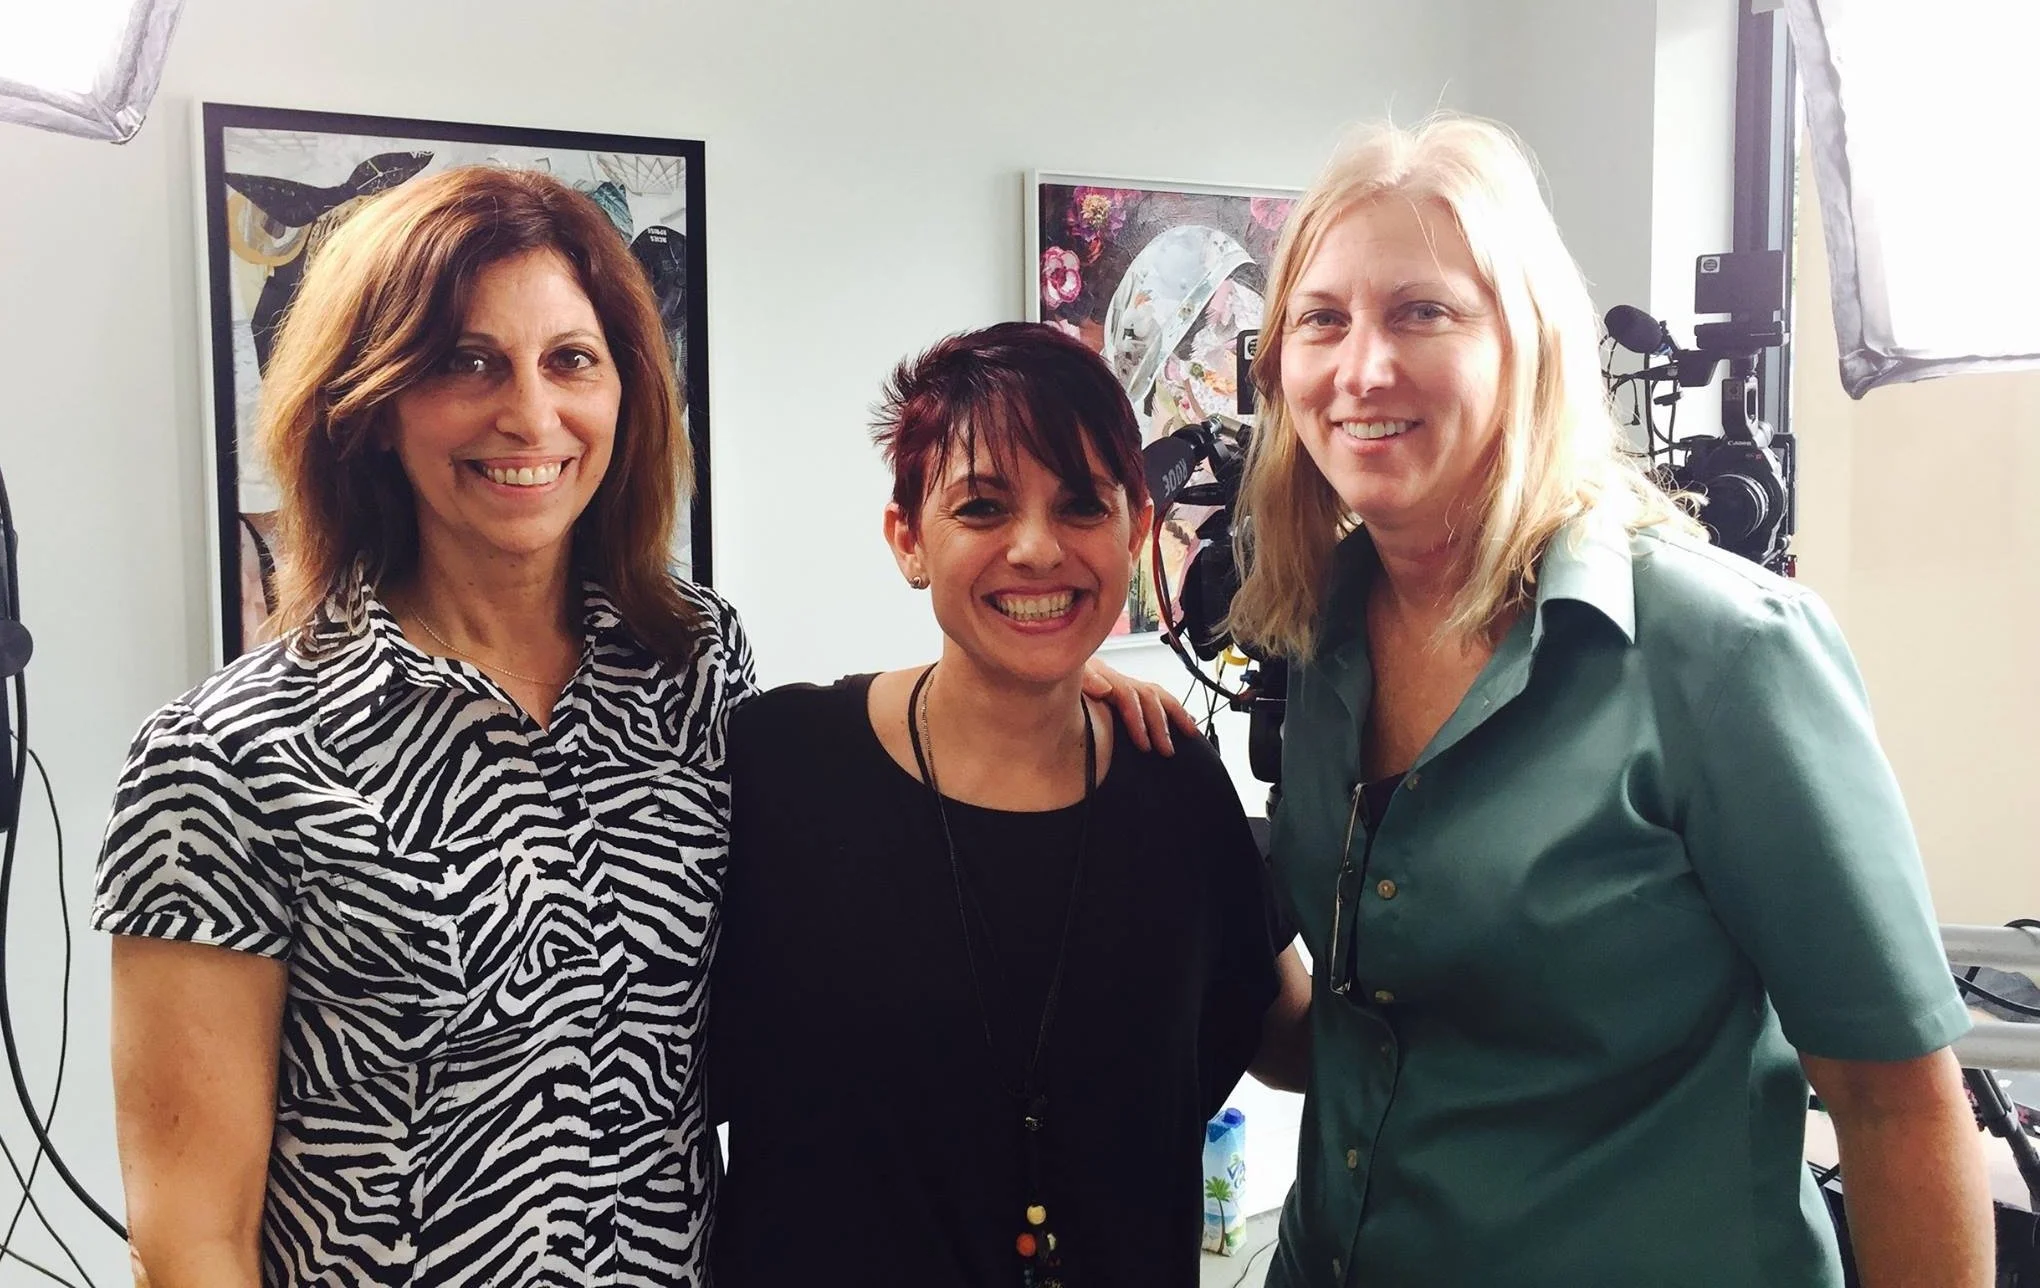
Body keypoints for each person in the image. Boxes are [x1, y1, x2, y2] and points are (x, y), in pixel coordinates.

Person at [94, 168, 1192, 1288]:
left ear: (627, 393)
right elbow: (189, 1239)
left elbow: (868, 810)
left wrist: (1052, 668)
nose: (529, 413)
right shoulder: (224, 762)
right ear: (373, 402)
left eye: (571, 359)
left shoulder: (692, 665)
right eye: (468, 361)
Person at [1229, 116, 1991, 1287]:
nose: (1362, 367)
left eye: (1422, 311)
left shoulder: (1719, 654)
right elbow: (1341, 1035)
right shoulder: (1316, 636)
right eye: (1322, 319)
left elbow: (1897, 1108)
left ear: (1526, 342)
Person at [709, 321, 1312, 1287]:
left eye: (1081, 505)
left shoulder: (1175, 785)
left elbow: (1296, 1033)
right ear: (908, 537)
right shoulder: (778, 769)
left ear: (1137, 531)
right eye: (982, 508)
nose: (1036, 548)